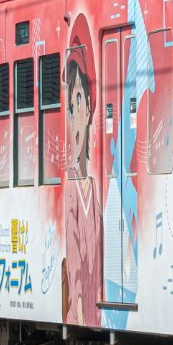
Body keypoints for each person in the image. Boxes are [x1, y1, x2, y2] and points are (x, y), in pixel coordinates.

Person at [60, 23, 101, 328]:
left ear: (89, 106)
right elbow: (74, 268)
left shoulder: (95, 190)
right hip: (81, 309)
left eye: (78, 101)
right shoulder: (71, 191)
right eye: (69, 105)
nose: (74, 115)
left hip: (96, 307)